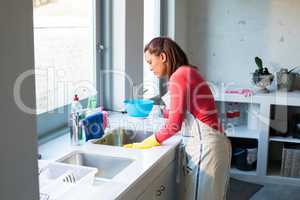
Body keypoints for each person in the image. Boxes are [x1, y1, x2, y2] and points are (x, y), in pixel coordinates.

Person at [124, 37, 232, 200]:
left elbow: (174, 124)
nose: (150, 68)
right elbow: (182, 111)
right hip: (212, 145)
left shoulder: (179, 76)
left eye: (150, 62)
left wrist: (148, 142)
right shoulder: (185, 72)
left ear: (162, 57)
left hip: (207, 148)